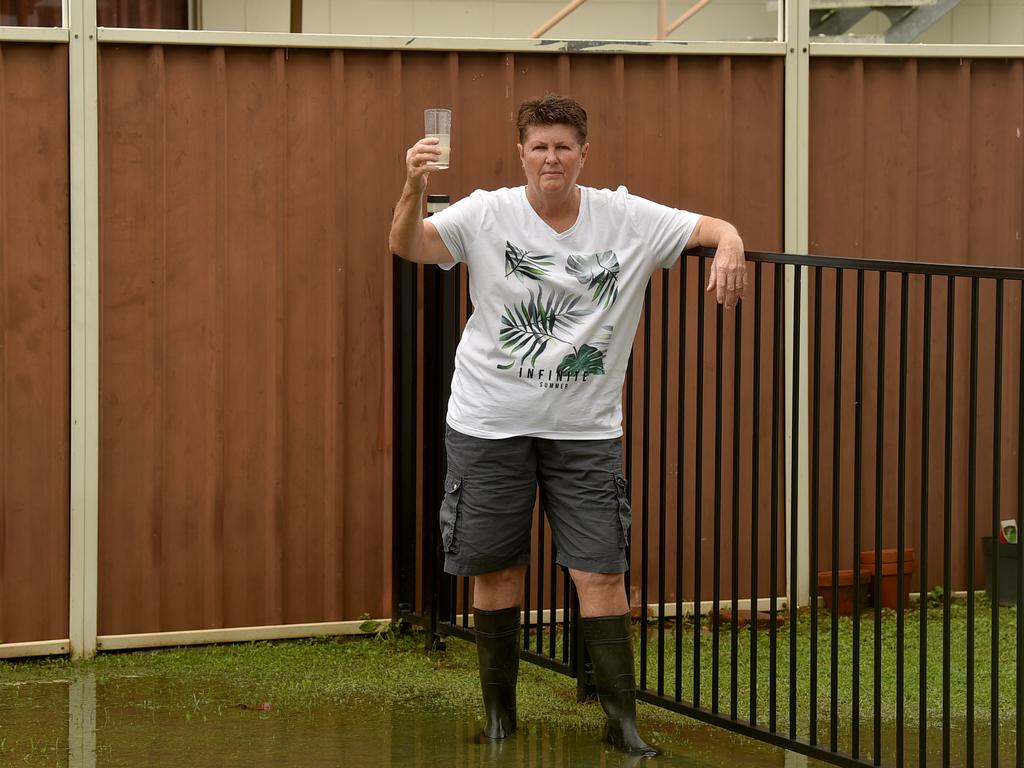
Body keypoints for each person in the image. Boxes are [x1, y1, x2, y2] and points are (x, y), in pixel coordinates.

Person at [388, 94, 746, 757]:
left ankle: (623, 723)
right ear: (521, 153)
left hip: (586, 431)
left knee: (601, 573)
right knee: (496, 571)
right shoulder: (486, 212)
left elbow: (711, 226)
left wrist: (731, 242)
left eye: (563, 146)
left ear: (585, 154)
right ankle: (500, 715)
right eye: (539, 146)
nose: (551, 158)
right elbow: (408, 244)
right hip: (490, 422)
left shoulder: (626, 216)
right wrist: (414, 186)